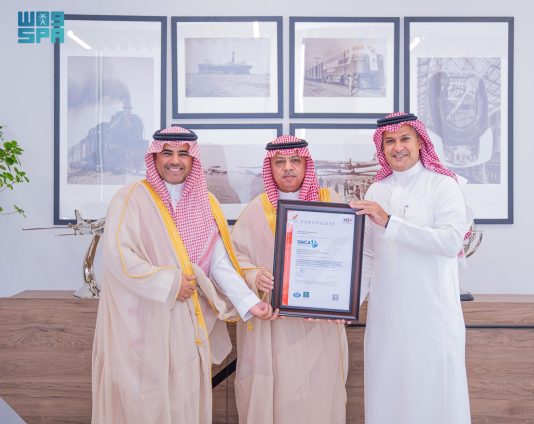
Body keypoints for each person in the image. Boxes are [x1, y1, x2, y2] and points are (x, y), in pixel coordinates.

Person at [92, 126, 276, 424]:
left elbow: (218, 263)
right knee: (143, 401)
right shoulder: (131, 198)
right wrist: (170, 282)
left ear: (193, 159)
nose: (175, 161)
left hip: (187, 321)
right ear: (155, 157)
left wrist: (250, 303)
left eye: (183, 154)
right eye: (167, 153)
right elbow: (119, 258)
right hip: (142, 321)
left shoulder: (206, 202)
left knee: (183, 399)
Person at [351, 113, 472, 424]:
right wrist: (346, 306)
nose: (397, 147)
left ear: (420, 142)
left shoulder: (444, 185)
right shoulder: (376, 191)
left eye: (405, 139)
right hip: (386, 318)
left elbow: (450, 242)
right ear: (382, 148)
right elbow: (368, 256)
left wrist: (390, 222)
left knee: (433, 397)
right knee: (387, 394)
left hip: (431, 316)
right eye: (389, 141)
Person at [231, 135, 348, 424]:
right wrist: (254, 275)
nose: (288, 168)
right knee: (279, 395)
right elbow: (234, 260)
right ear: (269, 168)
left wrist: (346, 299)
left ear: (306, 165)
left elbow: (347, 255)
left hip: (320, 324)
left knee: (319, 393)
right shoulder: (256, 210)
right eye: (279, 162)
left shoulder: (330, 202)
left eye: (295, 160)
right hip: (274, 325)